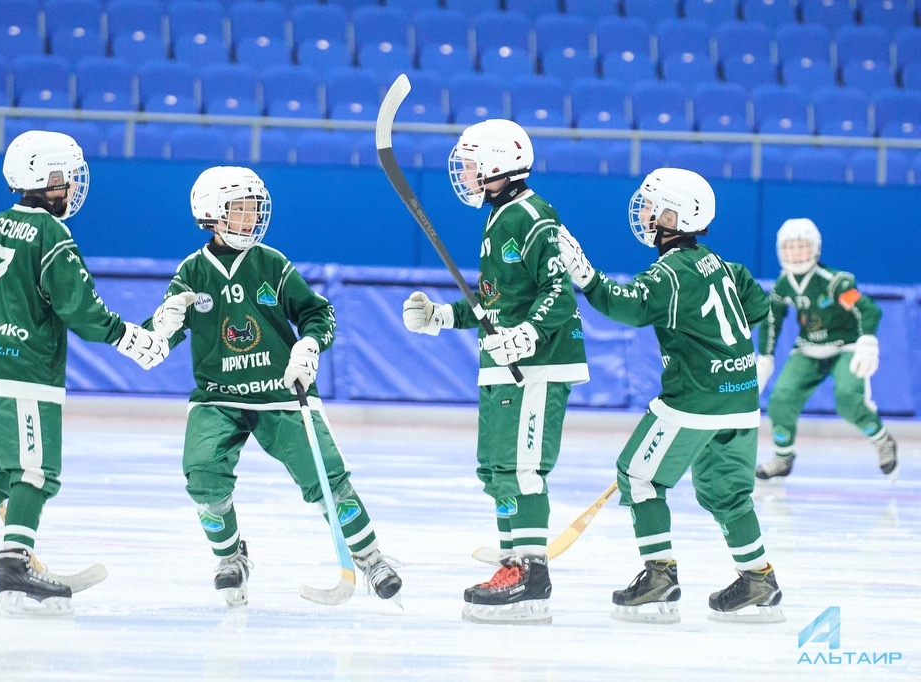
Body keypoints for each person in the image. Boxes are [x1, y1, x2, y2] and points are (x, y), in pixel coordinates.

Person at [0, 130, 169, 616]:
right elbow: (79, 307)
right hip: (23, 366)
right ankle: (15, 563)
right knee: (33, 470)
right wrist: (128, 337)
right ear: (46, 180)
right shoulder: (52, 235)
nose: (72, 187)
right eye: (66, 178)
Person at [144, 165, 401, 607]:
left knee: (326, 476)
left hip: (281, 394)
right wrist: (162, 323)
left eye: (254, 209)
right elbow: (157, 340)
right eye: (241, 210)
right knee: (202, 472)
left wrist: (310, 345)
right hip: (218, 397)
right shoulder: (191, 271)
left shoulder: (271, 263)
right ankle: (230, 559)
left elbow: (318, 313)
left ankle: (371, 558)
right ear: (212, 214)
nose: (252, 218)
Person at [556, 167, 784, 624]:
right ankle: (759, 578)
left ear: (676, 216)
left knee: (638, 476)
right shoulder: (722, 264)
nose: (644, 213)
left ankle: (659, 574)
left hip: (695, 399)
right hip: (742, 400)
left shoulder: (671, 273)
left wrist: (587, 277)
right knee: (727, 495)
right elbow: (760, 306)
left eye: (652, 206)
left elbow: (627, 305)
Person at [401, 119, 589, 625]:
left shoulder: (532, 214)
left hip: (537, 364)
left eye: (470, 165)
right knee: (496, 469)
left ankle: (531, 573)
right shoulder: (498, 217)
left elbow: (559, 292)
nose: (464, 175)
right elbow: (494, 303)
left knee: (522, 469)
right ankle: (512, 564)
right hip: (501, 364)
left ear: (498, 164)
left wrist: (527, 334)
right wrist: (442, 317)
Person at [755, 218, 897, 480]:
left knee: (849, 399)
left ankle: (883, 440)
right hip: (808, 349)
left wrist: (867, 341)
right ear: (780, 251)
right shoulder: (782, 285)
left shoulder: (834, 282)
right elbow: (771, 321)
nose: (796, 253)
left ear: (816, 249)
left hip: (846, 347)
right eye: (790, 247)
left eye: (802, 246)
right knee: (782, 398)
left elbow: (868, 309)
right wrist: (765, 357)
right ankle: (783, 457)